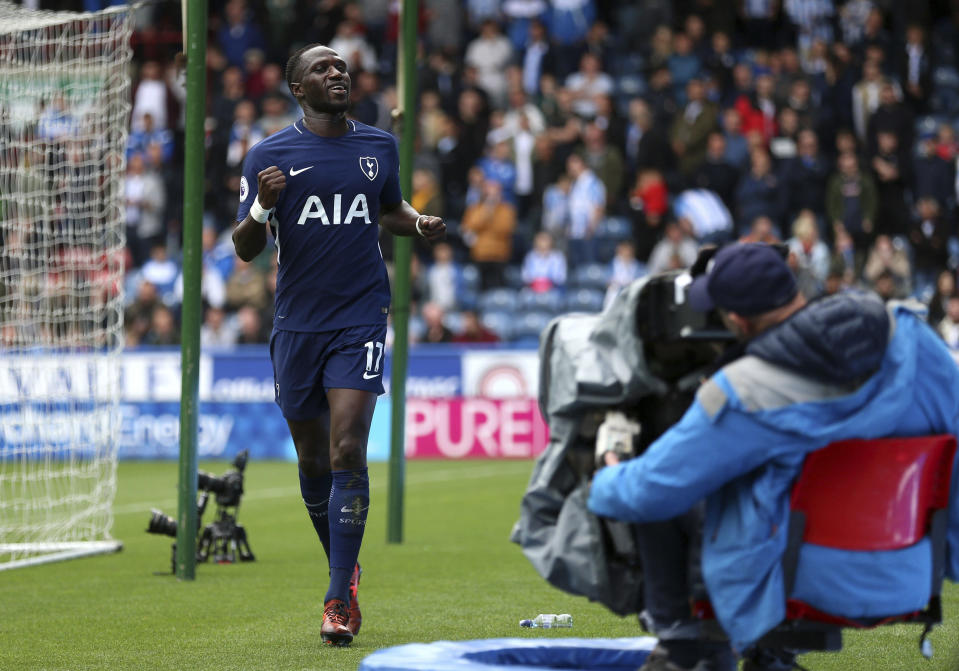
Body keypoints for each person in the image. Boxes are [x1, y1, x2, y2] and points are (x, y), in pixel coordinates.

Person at [588, 243, 959, 670]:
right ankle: (774, 657)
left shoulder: (745, 391)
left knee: (669, 493)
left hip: (795, 581)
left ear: (737, 320)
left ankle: (687, 651)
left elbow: (647, 492)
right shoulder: (921, 345)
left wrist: (608, 467)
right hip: (907, 576)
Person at [232, 44, 445, 648]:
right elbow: (246, 246)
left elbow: (391, 210)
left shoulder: (379, 146)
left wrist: (419, 223)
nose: (337, 73)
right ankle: (346, 569)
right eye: (322, 69)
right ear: (298, 89)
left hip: (360, 317)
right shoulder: (268, 156)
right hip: (298, 324)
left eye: (341, 66)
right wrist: (262, 206)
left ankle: (336, 599)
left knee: (348, 445)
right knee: (312, 462)